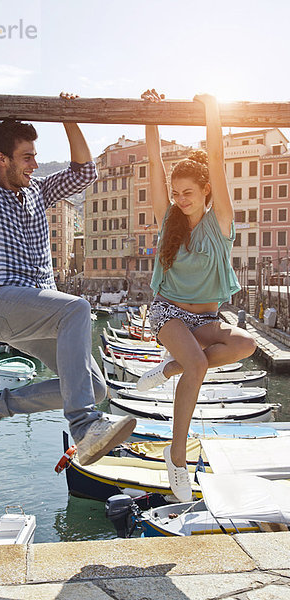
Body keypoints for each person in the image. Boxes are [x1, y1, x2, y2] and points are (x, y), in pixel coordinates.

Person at [0, 84, 136, 465]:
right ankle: (83, 427)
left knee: (95, 386)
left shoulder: (38, 193)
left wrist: (68, 116)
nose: (34, 164)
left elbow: (85, 172)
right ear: (1, 159)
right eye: (27, 157)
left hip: (36, 311)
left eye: (35, 156)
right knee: (78, 308)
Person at [137, 90, 256, 501]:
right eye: (177, 192)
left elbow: (218, 161)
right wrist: (151, 115)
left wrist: (212, 110)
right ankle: (177, 458)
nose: (181, 198)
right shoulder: (168, 220)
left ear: (206, 191)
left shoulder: (220, 222)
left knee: (245, 343)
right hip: (168, 312)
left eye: (189, 191)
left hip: (206, 321)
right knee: (197, 366)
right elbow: (153, 163)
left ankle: (169, 370)